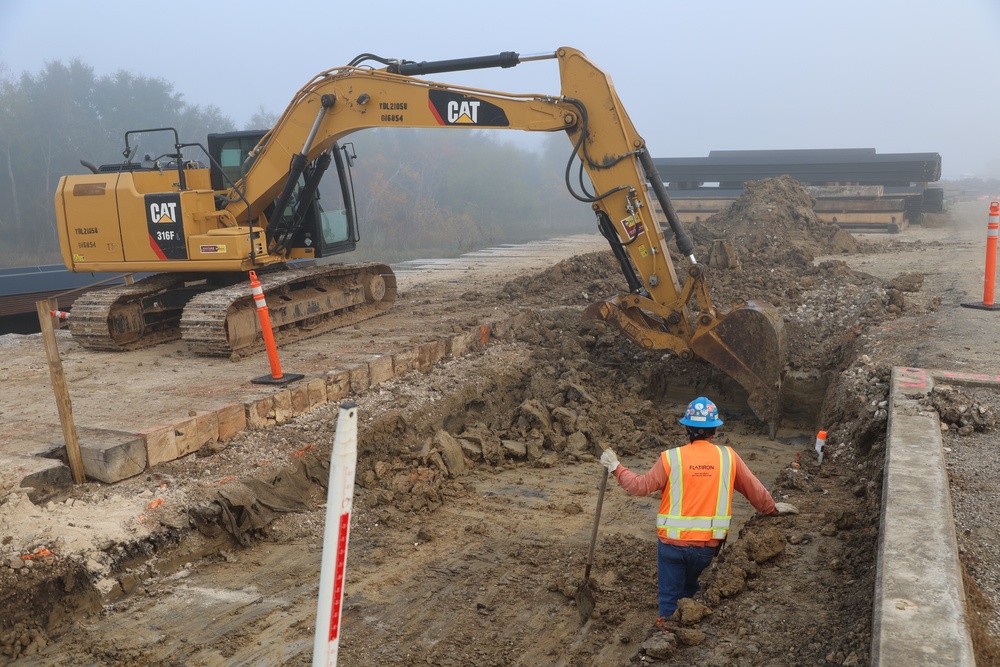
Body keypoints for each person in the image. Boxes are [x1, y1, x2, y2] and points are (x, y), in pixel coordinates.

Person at [599, 396, 797, 623]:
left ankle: (665, 632)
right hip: (706, 549)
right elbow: (753, 489)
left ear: (687, 428)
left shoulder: (671, 458)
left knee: (669, 596)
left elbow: (640, 486)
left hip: (672, 547)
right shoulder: (728, 457)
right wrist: (771, 508)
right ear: (714, 430)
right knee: (691, 587)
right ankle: (687, 622)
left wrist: (616, 467)